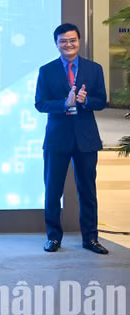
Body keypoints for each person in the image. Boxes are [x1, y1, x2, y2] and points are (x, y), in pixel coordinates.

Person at [35, 23, 109, 254]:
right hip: (57, 138)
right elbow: (40, 103)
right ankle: (53, 237)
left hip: (86, 138)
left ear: (79, 41)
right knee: (53, 190)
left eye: (72, 40)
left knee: (87, 190)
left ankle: (91, 238)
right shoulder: (46, 71)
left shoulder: (94, 69)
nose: (68, 45)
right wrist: (64, 103)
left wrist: (85, 101)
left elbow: (102, 101)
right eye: (63, 41)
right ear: (56, 44)